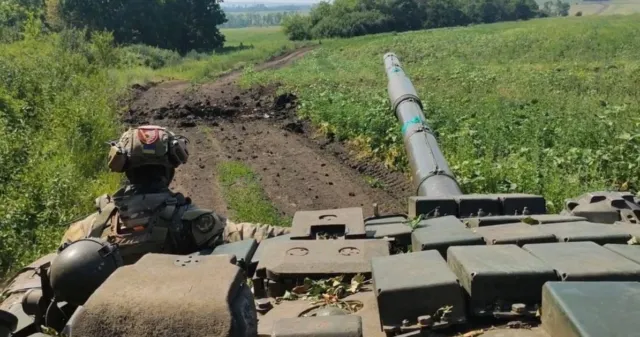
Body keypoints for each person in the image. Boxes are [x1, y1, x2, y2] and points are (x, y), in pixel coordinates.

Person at [60, 125, 290, 264]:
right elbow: (245, 234)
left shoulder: (88, 228)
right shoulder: (191, 222)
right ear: (170, 169)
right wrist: (300, 232)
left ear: (125, 169)